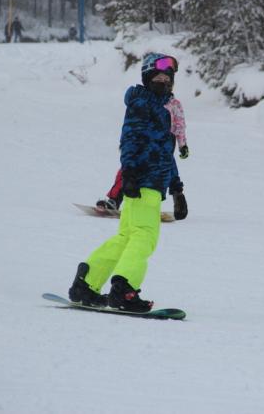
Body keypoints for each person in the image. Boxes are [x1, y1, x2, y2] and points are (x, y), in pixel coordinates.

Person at [68, 53, 180, 312]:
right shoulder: (142, 103)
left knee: (127, 236)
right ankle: (124, 289)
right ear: (146, 78)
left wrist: (177, 188)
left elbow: (166, 153)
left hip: (152, 184)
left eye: (167, 77)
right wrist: (128, 174)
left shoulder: (165, 108)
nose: (163, 81)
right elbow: (129, 139)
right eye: (158, 77)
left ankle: (87, 281)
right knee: (145, 236)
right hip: (143, 181)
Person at [96, 91, 189, 220]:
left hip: (165, 144)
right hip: (145, 143)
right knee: (128, 169)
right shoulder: (145, 100)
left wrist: (182, 145)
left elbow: (180, 126)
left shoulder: (175, 104)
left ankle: (174, 199)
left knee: (169, 172)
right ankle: (114, 200)